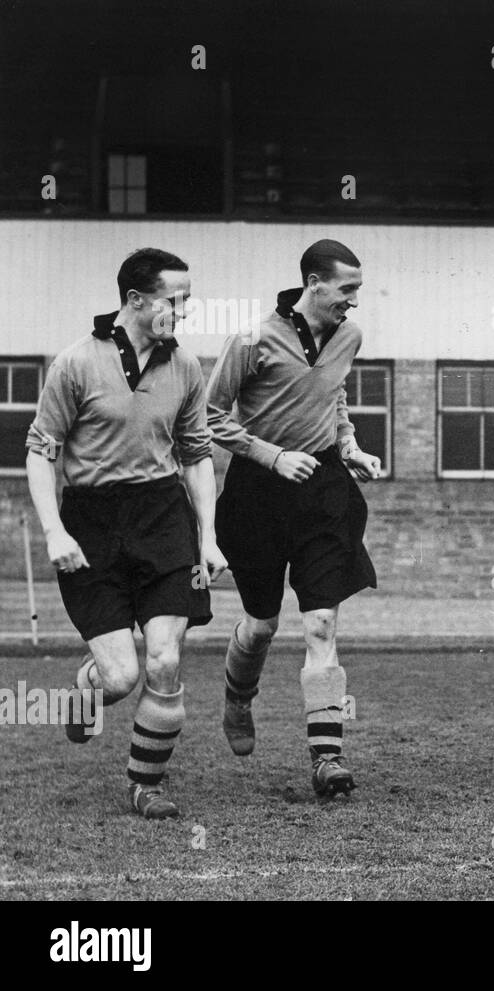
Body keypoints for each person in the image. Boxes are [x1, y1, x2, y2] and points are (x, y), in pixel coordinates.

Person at [25, 248, 224, 819]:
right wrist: (53, 531)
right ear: (135, 300)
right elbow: (41, 453)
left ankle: (146, 784)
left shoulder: (185, 366)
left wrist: (207, 536)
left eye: (187, 299)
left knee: (164, 661)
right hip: (91, 523)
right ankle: (88, 691)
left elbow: (197, 455)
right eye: (174, 300)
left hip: (162, 518)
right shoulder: (75, 363)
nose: (183, 310)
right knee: (121, 676)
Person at [206, 239, 381, 798]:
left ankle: (326, 758)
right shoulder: (252, 340)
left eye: (358, 289)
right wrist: (271, 455)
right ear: (313, 283)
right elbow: (210, 418)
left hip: (322, 490)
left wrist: (349, 445)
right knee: (261, 626)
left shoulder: (349, 336)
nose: (354, 300)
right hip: (258, 492)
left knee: (321, 622)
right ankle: (238, 698)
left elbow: (335, 395)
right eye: (347, 289)